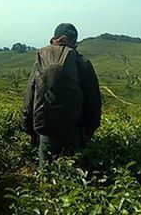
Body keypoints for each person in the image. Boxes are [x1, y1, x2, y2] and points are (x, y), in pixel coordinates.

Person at [20, 23, 102, 168]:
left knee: (45, 178)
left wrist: (30, 130)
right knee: (73, 177)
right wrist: (88, 132)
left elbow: (29, 97)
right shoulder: (82, 62)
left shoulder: (41, 60)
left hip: (46, 129)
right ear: (72, 40)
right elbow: (94, 101)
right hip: (74, 130)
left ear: (55, 38)